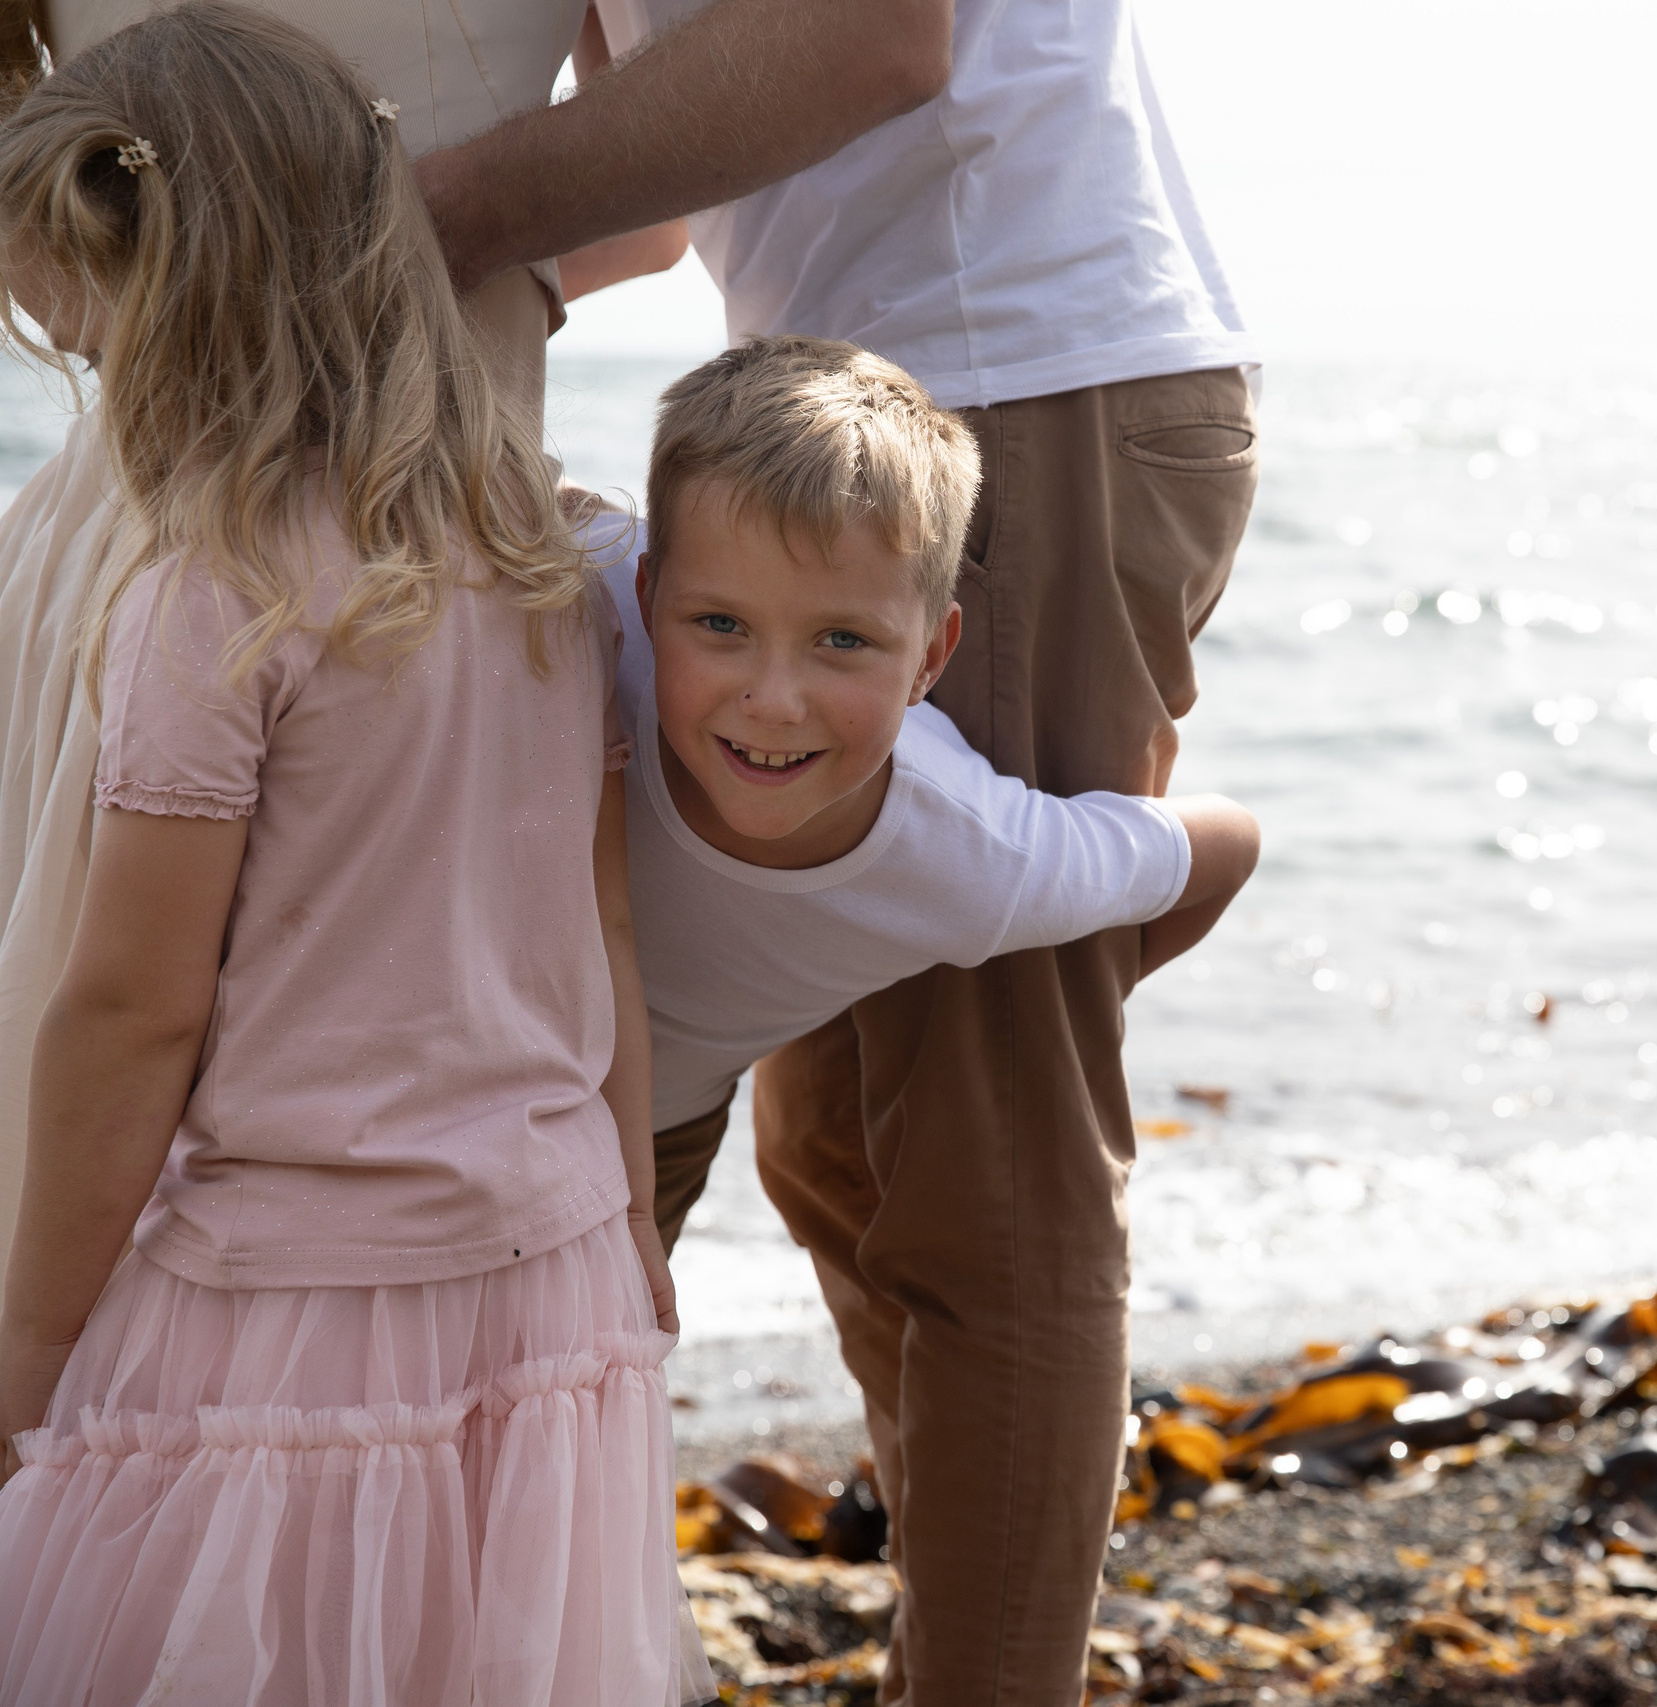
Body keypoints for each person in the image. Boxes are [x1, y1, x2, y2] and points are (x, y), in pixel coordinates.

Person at [0, 0, 958, 1309]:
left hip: (195, 511)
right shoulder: (545, 578)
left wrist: (343, 253)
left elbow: (133, 1014)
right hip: (344, 495)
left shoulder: (255, 602)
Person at [0, 11, 710, 1702]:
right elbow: (604, 932)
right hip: (551, 1280)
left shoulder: (208, 604)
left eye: (86, 341)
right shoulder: (540, 556)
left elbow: (135, 1012)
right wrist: (631, 1222)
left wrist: (30, 1337)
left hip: (285, 1310)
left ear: (171, 316)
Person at [577, 4, 1262, 1696]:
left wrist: (413, 222)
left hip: (1013, 375)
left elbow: (875, 41)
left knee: (982, 1174)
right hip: (843, 391)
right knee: (838, 1154)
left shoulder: (956, 833)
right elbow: (645, 183)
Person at [597, 337, 1258, 1259]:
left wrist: (1077, 973)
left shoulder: (974, 858)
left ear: (931, 658)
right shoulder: (587, 608)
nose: (774, 700)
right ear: (646, 596)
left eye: (842, 641)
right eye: (720, 625)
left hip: (650, 1138)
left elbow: (1231, 841)